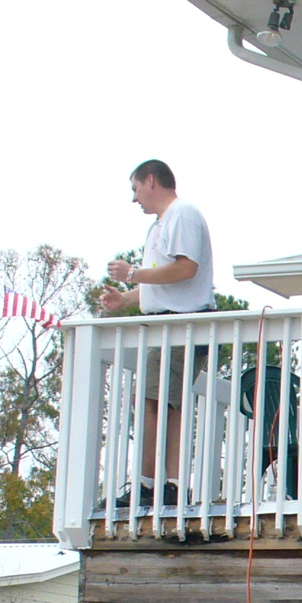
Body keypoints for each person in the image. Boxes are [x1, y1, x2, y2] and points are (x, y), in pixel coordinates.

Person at [100, 160, 216, 504]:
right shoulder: (161, 225)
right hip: (170, 327)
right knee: (162, 402)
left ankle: (153, 486)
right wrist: (126, 298)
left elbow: (186, 269)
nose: (134, 198)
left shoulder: (182, 214)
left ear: (151, 181)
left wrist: (132, 274)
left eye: (135, 189)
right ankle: (165, 486)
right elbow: (163, 282)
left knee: (156, 401)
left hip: (181, 326)